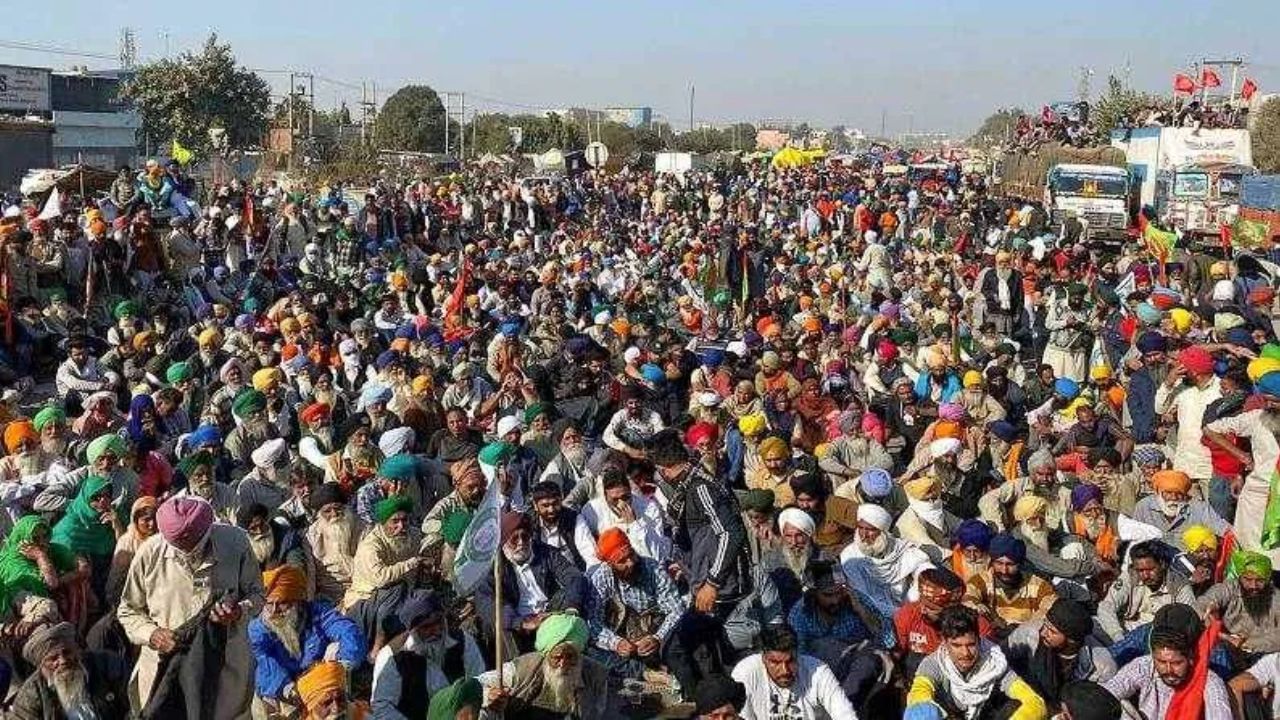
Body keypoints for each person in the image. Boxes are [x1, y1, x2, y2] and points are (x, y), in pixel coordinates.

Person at [116, 495, 263, 717]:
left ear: (207, 531)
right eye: (178, 546)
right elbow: (128, 610)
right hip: (165, 667)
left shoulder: (236, 543)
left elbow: (258, 594)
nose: (187, 552)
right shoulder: (150, 552)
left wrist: (239, 611)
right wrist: (153, 634)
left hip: (224, 665)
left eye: (193, 545)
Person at [248, 564, 366, 713]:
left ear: (298, 601)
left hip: (318, 680)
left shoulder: (318, 613)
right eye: (269, 604)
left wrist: (341, 667)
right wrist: (288, 689)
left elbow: (348, 631)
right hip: (284, 687)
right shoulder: (259, 627)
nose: (274, 611)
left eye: (283, 603)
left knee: (335, 648)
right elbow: (264, 660)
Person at [905, 605, 1047, 720]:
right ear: (944, 643)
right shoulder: (933, 664)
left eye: (971, 645)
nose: (965, 653)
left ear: (979, 640)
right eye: (956, 646)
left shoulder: (994, 663)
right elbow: (918, 695)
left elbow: (1035, 702)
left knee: (1016, 706)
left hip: (985, 715)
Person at [475, 511, 586, 654]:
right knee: (500, 624)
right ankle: (518, 669)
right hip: (516, 620)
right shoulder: (492, 565)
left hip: (547, 614)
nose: (521, 543)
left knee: (572, 597)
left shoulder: (546, 552)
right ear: (503, 541)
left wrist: (571, 608)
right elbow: (487, 601)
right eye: (514, 539)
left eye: (525, 537)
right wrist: (521, 623)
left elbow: (574, 577)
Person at [1103, 602, 1232, 720]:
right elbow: (1109, 691)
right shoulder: (1144, 666)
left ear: (1191, 657)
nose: (1168, 670)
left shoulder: (1210, 683)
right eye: (1161, 662)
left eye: (1177, 663)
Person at [371, 590, 486, 720]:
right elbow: (382, 706)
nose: (436, 630)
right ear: (412, 630)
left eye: (439, 621)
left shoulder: (463, 641)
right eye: (427, 627)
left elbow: (479, 681)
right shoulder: (391, 656)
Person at [475, 612, 611, 720]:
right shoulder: (524, 668)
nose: (563, 664)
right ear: (547, 655)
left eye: (570, 657)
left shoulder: (596, 676)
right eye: (557, 658)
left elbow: (598, 713)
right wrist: (489, 696)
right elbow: (476, 685)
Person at [1003, 599, 1117, 710]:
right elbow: (1000, 664)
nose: (1043, 632)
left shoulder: (1101, 666)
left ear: (1072, 640)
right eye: (1045, 624)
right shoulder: (1029, 634)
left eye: (1052, 631)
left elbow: (1097, 710)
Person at [8, 621, 131, 720]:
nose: (63, 661)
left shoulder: (107, 663)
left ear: (77, 650)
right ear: (41, 666)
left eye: (67, 652)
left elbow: (133, 707)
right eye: (53, 658)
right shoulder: (31, 694)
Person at [730, 624, 857, 720]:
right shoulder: (745, 672)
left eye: (791, 661)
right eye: (775, 663)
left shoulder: (817, 670)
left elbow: (845, 714)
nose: (785, 670)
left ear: (798, 654)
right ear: (763, 657)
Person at [839, 502, 933, 616]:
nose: (863, 535)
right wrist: (899, 614)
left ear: (882, 532)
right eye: (860, 528)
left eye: (870, 529)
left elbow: (923, 565)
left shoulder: (897, 547)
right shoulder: (850, 556)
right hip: (872, 612)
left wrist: (921, 581)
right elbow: (863, 596)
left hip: (907, 607)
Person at [1095, 540, 1195, 643]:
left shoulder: (1179, 586)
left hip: (1157, 636)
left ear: (1162, 565)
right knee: (1093, 624)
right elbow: (1107, 605)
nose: (1145, 575)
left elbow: (1188, 623)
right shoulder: (1131, 575)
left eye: (1150, 569)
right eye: (1141, 571)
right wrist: (1117, 635)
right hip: (1126, 629)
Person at [963, 533, 1057, 636]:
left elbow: (1051, 608)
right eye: (999, 563)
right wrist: (978, 606)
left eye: (1010, 564)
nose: (1004, 570)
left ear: (1020, 564)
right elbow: (968, 599)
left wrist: (1024, 628)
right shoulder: (980, 581)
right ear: (992, 562)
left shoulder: (1039, 586)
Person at [1195, 550, 1280, 654]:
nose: (1253, 586)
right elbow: (1203, 602)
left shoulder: (1276, 599)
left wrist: (1245, 644)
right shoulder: (1231, 588)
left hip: (1261, 651)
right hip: (1227, 644)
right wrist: (1208, 609)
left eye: (1260, 581)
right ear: (1240, 577)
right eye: (1248, 579)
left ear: (1268, 580)